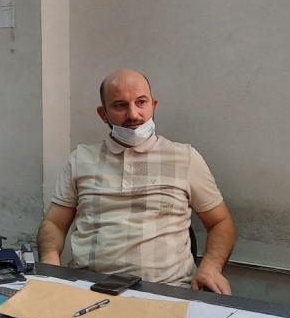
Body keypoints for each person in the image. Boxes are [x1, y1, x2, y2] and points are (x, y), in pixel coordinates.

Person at [37, 69, 236, 293]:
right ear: (103, 114)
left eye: (141, 102)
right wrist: (50, 263)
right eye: (120, 105)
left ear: (153, 105)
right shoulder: (80, 159)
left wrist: (211, 267)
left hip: (168, 290)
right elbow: (54, 223)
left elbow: (221, 222)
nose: (133, 114)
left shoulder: (185, 157)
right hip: (89, 286)